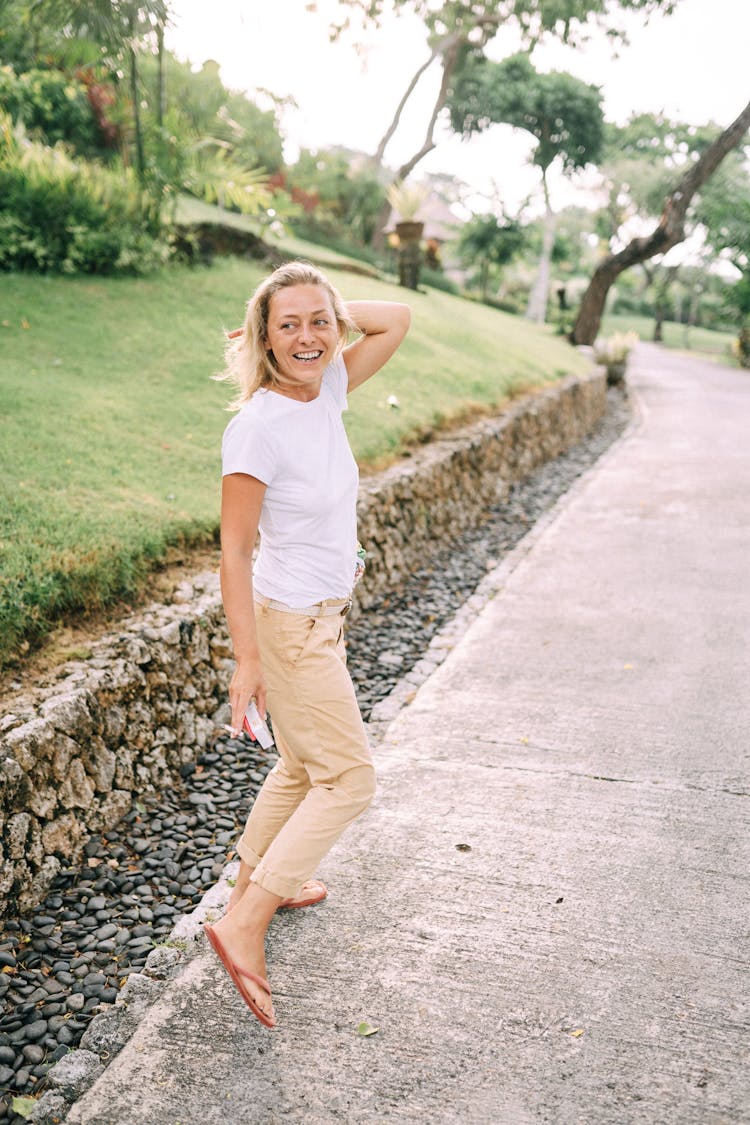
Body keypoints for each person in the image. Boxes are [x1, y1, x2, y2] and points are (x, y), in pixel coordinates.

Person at [204, 260, 410, 1028]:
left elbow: (397, 320)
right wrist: (249, 660)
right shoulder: (256, 427)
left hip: (323, 615)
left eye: (318, 322)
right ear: (261, 336)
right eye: (285, 324)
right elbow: (233, 551)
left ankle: (258, 884)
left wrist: (322, 314)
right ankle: (245, 922)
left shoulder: (326, 388)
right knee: (349, 780)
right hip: (291, 628)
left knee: (301, 765)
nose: (308, 337)